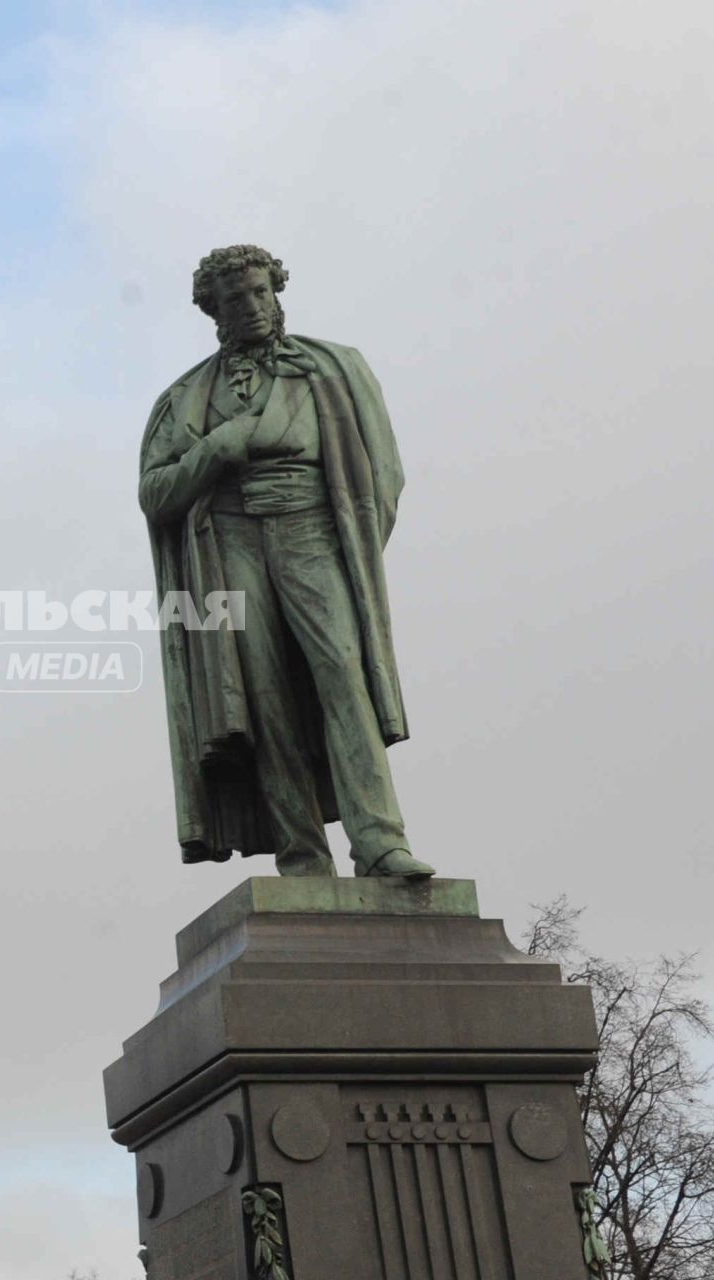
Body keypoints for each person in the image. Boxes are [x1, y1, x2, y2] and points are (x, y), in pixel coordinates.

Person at [137, 245, 435, 880]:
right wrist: (217, 448)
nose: (251, 307)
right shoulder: (184, 397)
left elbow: (383, 475)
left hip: (312, 531)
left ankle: (381, 841)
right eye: (235, 299)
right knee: (263, 697)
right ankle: (301, 855)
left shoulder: (334, 368)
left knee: (343, 678)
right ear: (212, 310)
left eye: (259, 292)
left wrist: (350, 550)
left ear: (277, 292)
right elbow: (155, 494)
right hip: (228, 543)